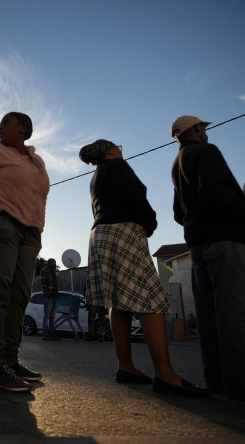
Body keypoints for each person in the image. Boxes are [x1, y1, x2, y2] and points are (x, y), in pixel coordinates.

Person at [79, 139, 211, 397]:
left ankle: (126, 367)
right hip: (123, 230)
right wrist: (150, 222)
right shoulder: (116, 165)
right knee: (152, 298)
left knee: (119, 301)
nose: (121, 149)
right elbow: (133, 197)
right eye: (118, 146)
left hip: (101, 233)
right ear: (109, 151)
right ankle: (165, 375)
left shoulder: (96, 175)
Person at [0, 112, 50, 392]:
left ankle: (11, 360)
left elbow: (41, 196)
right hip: (1, 225)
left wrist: (38, 229)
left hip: (29, 233)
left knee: (19, 295)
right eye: (0, 122)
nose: (0, 125)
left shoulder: (36, 161)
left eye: (7, 122)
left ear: (24, 129)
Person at [170, 115, 245, 402]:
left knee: (208, 316)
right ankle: (239, 386)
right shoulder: (206, 151)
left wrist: (196, 222)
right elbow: (214, 190)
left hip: (197, 244)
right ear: (194, 130)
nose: (205, 131)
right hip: (224, 238)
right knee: (233, 313)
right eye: (202, 127)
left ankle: (217, 381)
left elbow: (178, 212)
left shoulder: (177, 163)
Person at [40, 258, 60, 341]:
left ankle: (52, 334)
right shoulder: (44, 271)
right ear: (49, 263)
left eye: (55, 262)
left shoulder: (53, 271)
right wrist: (48, 294)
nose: (55, 264)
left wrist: (57, 294)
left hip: (55, 296)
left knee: (52, 317)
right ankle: (45, 334)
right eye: (53, 262)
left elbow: (55, 284)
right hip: (49, 297)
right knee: (47, 316)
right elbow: (43, 284)